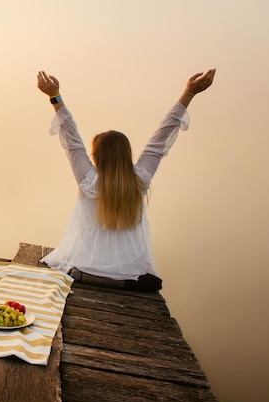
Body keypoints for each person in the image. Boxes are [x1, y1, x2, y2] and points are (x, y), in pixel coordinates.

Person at [37, 69, 216, 291]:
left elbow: (72, 138)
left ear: (97, 156)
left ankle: (91, 277)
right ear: (126, 154)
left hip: (85, 268)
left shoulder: (89, 181)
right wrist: (188, 93)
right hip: (129, 273)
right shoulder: (139, 180)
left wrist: (55, 97)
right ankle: (116, 281)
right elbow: (161, 138)